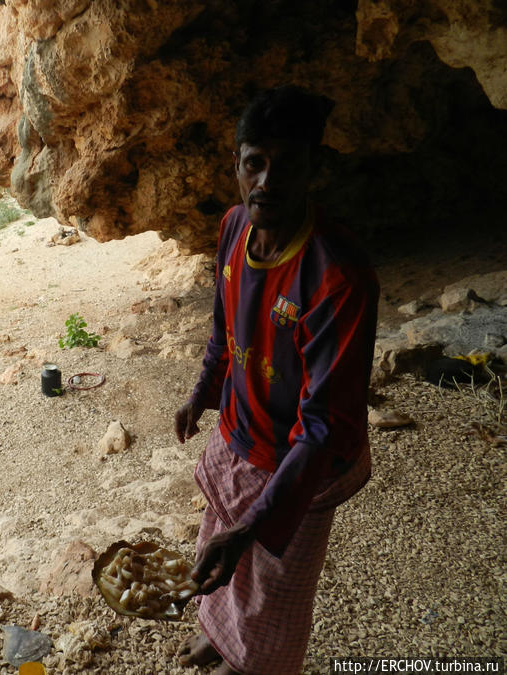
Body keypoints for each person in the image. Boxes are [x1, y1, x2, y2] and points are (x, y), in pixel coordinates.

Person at [174, 86, 379, 674]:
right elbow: (225, 323)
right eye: (255, 162)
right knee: (216, 546)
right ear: (236, 166)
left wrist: (255, 526)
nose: (267, 179)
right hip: (241, 432)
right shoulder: (235, 227)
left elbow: (324, 425)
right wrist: (203, 392)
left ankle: (250, 662)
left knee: (271, 587)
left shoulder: (338, 277)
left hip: (298, 462)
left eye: (288, 164)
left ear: (318, 167)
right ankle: (217, 636)